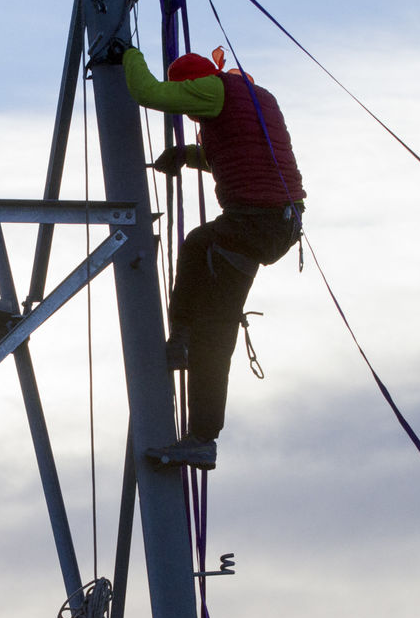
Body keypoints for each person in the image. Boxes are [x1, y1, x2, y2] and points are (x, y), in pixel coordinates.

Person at [119, 45, 306, 471]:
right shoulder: (253, 97)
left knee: (215, 329)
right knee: (198, 243)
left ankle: (202, 437)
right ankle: (181, 337)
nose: (191, 116)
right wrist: (187, 155)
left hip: (255, 223)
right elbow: (240, 154)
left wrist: (127, 55)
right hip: (278, 220)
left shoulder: (210, 90)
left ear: (191, 86)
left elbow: (147, 92)